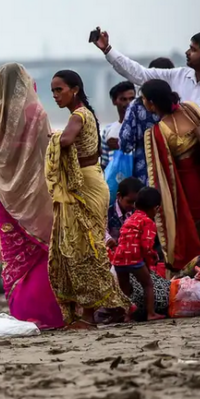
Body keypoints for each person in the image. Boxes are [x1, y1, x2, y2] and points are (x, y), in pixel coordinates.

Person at [0, 63, 64, 330]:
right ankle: (50, 313)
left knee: (15, 256)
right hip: (36, 195)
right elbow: (47, 152)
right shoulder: (35, 113)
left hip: (4, 197)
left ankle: (23, 312)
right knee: (41, 251)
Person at [46, 69, 130, 328]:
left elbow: (68, 139)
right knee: (83, 246)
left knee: (85, 249)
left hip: (85, 186)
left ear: (75, 89)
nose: (55, 95)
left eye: (59, 89)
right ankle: (99, 309)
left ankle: (89, 315)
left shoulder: (78, 115)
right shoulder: (86, 113)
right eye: (52, 91)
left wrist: (52, 137)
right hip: (89, 179)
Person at [139, 79, 200, 271]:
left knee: (196, 230)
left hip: (187, 188)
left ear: (151, 103)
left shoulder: (157, 131)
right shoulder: (191, 109)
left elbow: (161, 174)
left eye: (143, 99)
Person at [93, 28, 200, 107]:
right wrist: (107, 49)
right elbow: (140, 74)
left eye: (194, 50)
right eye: (189, 48)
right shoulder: (178, 75)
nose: (187, 53)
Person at [108, 187, 166, 322]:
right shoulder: (148, 222)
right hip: (134, 259)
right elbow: (146, 245)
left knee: (124, 288)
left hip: (119, 259)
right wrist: (151, 258)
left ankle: (126, 315)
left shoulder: (129, 219)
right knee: (148, 284)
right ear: (156, 208)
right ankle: (151, 313)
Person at [119, 58, 177, 186]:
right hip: (174, 169)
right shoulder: (177, 104)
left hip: (145, 170)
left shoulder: (137, 104)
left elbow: (125, 143)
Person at [101, 81, 136, 168]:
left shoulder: (142, 128)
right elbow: (104, 163)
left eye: (132, 99)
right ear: (114, 101)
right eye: (123, 99)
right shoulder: (108, 130)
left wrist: (120, 146)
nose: (129, 103)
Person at [106, 177, 144, 249]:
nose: (133, 205)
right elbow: (103, 233)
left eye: (136, 202)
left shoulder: (136, 214)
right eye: (129, 202)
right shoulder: (107, 214)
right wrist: (109, 240)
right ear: (119, 196)